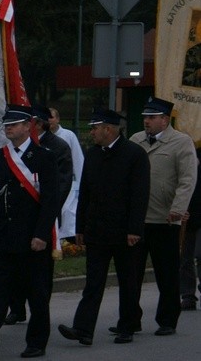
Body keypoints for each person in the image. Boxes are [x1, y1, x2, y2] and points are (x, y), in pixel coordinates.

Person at [0, 105, 58, 360]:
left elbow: (50, 200)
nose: (9, 127)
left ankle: (37, 342)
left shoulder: (44, 157)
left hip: (32, 239)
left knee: (37, 294)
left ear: (28, 126)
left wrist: (41, 234)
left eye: (15, 123)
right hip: (4, 237)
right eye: (7, 124)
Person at [58, 107, 149, 346]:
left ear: (108, 129)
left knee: (128, 281)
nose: (92, 133)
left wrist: (134, 229)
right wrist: (80, 227)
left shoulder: (134, 154)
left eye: (95, 128)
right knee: (93, 283)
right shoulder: (93, 154)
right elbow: (85, 193)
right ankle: (83, 329)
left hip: (124, 231)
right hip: (97, 230)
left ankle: (128, 325)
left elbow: (139, 196)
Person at [128, 97, 197, 336]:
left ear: (165, 120)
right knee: (131, 275)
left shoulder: (181, 142)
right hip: (137, 219)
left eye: (152, 117)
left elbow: (187, 179)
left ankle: (167, 320)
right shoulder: (136, 140)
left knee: (166, 274)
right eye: (145, 117)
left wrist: (178, 209)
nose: (146, 121)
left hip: (165, 219)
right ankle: (130, 320)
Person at [5, 105, 73, 326]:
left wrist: (49, 211)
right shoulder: (8, 151)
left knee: (39, 275)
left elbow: (61, 184)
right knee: (15, 271)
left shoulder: (57, 147)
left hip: (44, 216)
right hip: (17, 220)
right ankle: (16, 308)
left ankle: (39, 315)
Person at [48, 107, 84, 240]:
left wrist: (81, 184)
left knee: (67, 211)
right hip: (50, 182)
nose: (49, 120)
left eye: (51, 117)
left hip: (68, 182)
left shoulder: (68, 136)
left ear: (57, 119)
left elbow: (78, 159)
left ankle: (67, 239)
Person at [180, 148, 201, 310]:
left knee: (199, 254)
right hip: (186, 213)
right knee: (185, 257)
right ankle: (187, 295)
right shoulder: (183, 151)